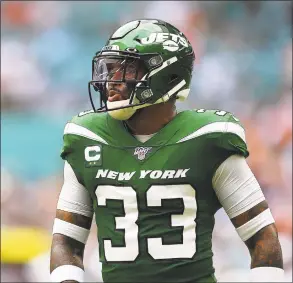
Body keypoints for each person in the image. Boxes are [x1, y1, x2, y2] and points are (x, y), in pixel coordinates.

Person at [50, 19, 284, 282]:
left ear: (166, 75)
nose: (110, 82)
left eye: (125, 71)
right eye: (110, 70)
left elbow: (262, 237)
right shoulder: (87, 138)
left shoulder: (207, 139)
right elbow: (66, 242)